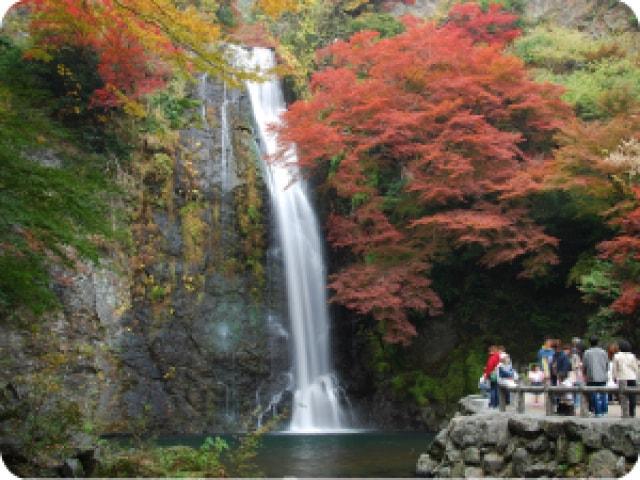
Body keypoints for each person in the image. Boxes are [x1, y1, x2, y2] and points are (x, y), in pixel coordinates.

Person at [582, 336, 609, 417]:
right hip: (602, 376)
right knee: (603, 394)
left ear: (589, 342)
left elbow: (585, 365)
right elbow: (607, 364)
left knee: (593, 394)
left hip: (591, 376)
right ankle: (604, 410)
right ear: (598, 342)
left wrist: (584, 374)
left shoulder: (587, 352)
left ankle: (596, 411)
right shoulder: (604, 352)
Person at [612, 340, 638, 417]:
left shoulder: (617, 356)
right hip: (632, 377)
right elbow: (635, 367)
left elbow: (615, 368)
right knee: (632, 396)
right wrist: (636, 375)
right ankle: (632, 412)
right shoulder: (632, 356)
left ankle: (625, 413)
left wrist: (614, 377)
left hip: (622, 378)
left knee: (623, 397)